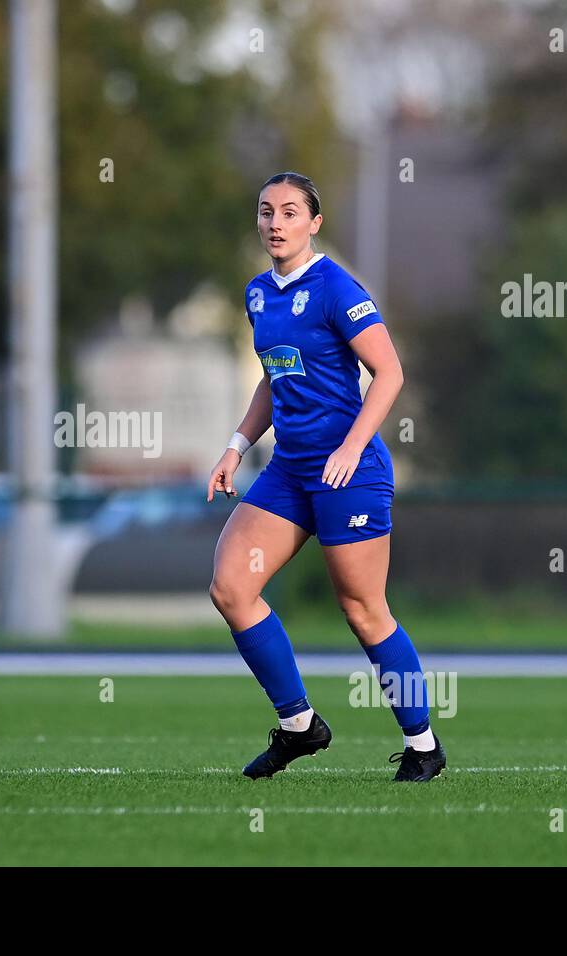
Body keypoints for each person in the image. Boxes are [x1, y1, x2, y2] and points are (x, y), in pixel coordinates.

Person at [206, 171, 446, 782]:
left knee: (363, 609)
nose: (275, 223)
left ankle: (422, 745)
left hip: (351, 473)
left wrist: (351, 445)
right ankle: (299, 727)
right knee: (232, 587)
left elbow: (389, 372)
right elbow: (272, 377)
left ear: (314, 223)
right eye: (265, 212)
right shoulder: (258, 293)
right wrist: (236, 446)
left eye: (289, 213)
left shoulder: (336, 287)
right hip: (291, 471)